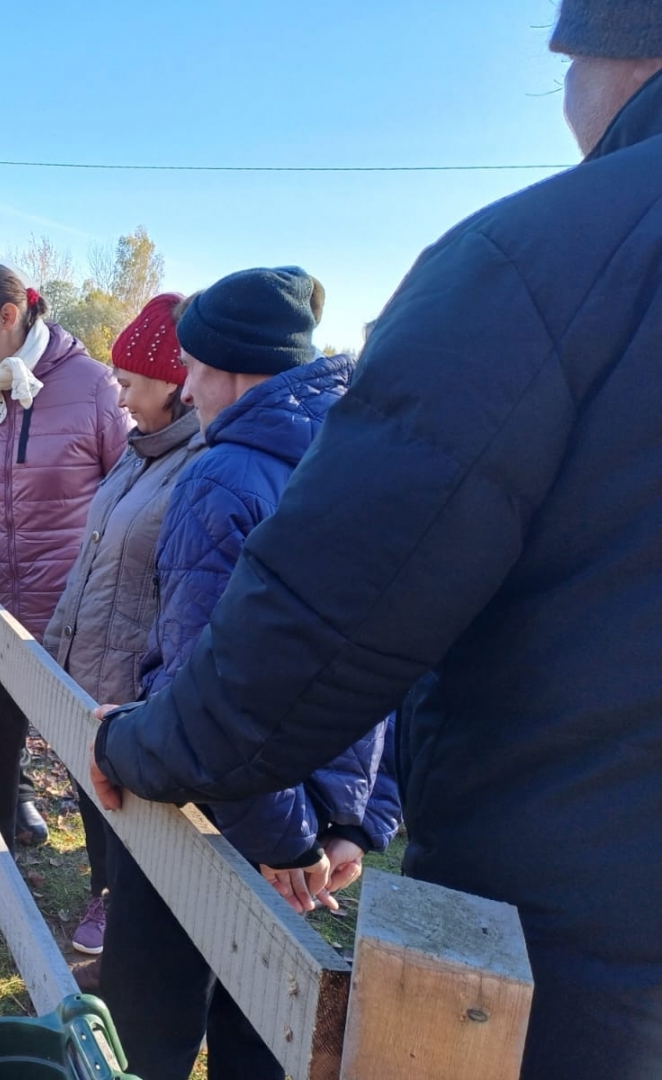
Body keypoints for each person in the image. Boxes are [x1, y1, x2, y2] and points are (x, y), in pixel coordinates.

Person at [92, 5, 662, 1076]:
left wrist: (137, 745)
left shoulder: (547, 259)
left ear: (611, 51)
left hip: (575, 939)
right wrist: (360, 814)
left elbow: (328, 619)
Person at [94, 268, 395, 1080]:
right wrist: (352, 824)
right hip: (317, 828)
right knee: (264, 1031)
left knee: (141, 1034)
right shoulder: (371, 462)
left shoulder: (221, 478)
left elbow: (211, 693)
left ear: (228, 368)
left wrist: (285, 841)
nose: (186, 391)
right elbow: (400, 662)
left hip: (214, 806)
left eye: (190, 368)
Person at [0, 262, 129, 898]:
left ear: (9, 316)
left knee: (93, 761)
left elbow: (136, 489)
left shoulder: (94, 389)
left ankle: (109, 895)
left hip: (77, 617)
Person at [41, 293, 206, 977]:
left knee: (140, 822)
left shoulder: (197, 468)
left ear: (174, 383)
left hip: (137, 688)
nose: (120, 395)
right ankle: (104, 893)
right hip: (93, 676)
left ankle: (128, 926)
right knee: (96, 804)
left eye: (131, 383)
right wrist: (55, 652)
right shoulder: (136, 456)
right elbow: (90, 562)